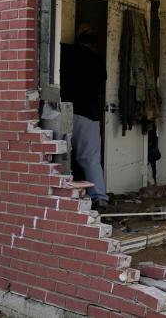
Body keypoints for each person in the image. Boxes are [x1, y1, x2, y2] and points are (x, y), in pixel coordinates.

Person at [59, 23, 110, 210]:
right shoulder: (97, 61)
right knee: (89, 158)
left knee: (62, 156)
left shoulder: (65, 53)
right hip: (88, 114)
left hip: (64, 111)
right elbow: (100, 91)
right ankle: (99, 198)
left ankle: (66, 195)